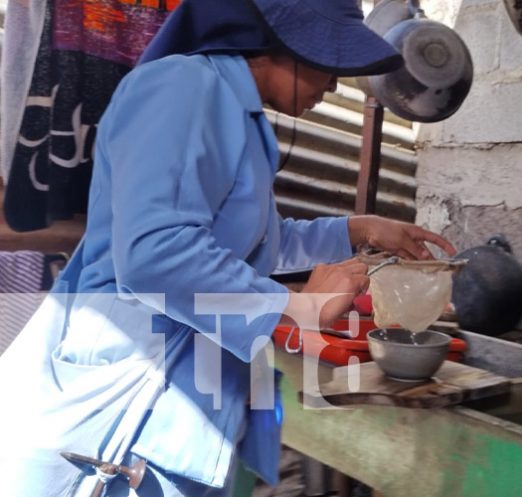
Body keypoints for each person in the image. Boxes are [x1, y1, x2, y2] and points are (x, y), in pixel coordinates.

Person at [0, 0, 456, 495]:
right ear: (275, 44)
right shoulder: (184, 88)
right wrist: (294, 306)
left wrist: (357, 229)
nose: (332, 85)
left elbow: (255, 243)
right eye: (328, 64)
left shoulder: (238, 113)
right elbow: (155, 253)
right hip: (123, 408)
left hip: (179, 397)